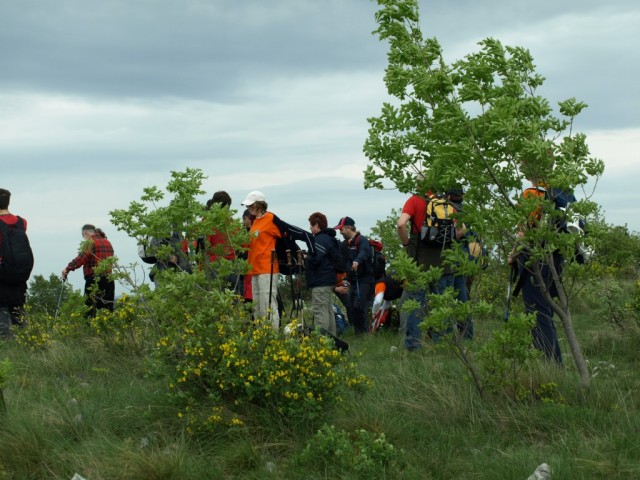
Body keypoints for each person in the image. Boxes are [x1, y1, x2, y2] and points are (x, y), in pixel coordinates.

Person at [397, 184, 466, 350]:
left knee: (415, 304)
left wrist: (407, 243)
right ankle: (443, 345)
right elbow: (461, 229)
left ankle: (414, 345)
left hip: (419, 261)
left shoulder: (415, 200)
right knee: (442, 304)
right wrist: (446, 239)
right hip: (444, 261)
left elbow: (401, 224)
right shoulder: (446, 202)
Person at [508, 178, 564, 365]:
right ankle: (556, 361)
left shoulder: (532, 194)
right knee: (546, 310)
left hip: (533, 260)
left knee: (536, 312)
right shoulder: (560, 193)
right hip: (555, 259)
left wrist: (513, 254)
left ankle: (548, 363)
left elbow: (524, 232)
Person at [242, 191, 282, 329]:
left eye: (250, 205)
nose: (248, 208)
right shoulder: (255, 222)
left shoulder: (271, 218)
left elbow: (285, 233)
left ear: (258, 205)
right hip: (254, 269)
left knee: (268, 304)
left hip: (267, 268)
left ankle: (273, 337)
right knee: (257, 307)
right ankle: (261, 339)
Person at [62, 224, 115, 318]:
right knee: (108, 309)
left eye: (83, 236)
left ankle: (90, 330)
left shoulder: (90, 242)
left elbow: (81, 258)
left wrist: (68, 268)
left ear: (86, 233)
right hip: (109, 280)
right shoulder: (108, 242)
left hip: (94, 280)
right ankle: (108, 330)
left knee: (90, 309)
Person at [334, 216, 374, 335]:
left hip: (365, 280)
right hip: (352, 280)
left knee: (359, 306)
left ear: (349, 228)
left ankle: (365, 332)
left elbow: (364, 252)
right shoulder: (344, 245)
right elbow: (339, 261)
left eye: (341, 229)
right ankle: (358, 334)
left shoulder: (362, 240)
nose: (340, 232)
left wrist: (357, 261)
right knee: (351, 307)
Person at [0, 188, 32, 337]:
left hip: (2, 272)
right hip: (20, 273)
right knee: (18, 308)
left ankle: (5, 345)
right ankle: (25, 341)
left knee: (2, 310)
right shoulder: (22, 222)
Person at [306, 212, 338, 336]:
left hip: (320, 281)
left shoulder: (319, 240)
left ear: (317, 225)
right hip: (329, 280)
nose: (309, 228)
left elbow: (315, 259)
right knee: (328, 310)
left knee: (320, 311)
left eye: (311, 225)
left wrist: (306, 258)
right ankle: (332, 341)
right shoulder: (330, 239)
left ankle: (321, 341)